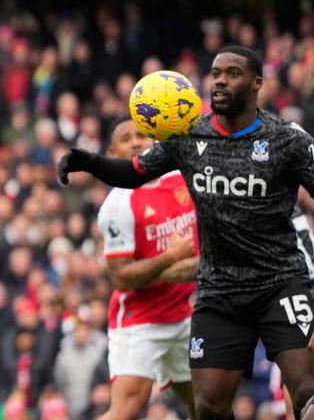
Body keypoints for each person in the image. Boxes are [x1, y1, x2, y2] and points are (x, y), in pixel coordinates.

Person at [59, 46, 314, 420]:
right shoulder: (188, 137)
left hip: (280, 284)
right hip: (219, 291)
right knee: (208, 408)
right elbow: (133, 172)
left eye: (232, 74)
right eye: (215, 73)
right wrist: (87, 162)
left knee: (307, 391)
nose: (219, 80)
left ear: (257, 83)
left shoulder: (288, 139)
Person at [96, 116, 199, 420]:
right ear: (112, 156)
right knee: (126, 410)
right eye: (125, 139)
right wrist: (172, 257)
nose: (135, 142)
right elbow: (122, 279)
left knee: (206, 407)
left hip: (185, 313)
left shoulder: (182, 179)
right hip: (141, 319)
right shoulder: (117, 204)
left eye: (141, 135)